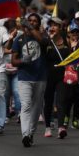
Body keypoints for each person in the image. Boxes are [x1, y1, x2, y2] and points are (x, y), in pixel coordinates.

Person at [11, 13, 48, 147]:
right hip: (24, 77)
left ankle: (31, 132)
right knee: (26, 105)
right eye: (30, 21)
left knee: (36, 107)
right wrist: (21, 60)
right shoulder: (19, 40)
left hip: (40, 77)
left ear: (38, 23)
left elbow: (43, 42)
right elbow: (13, 61)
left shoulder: (42, 37)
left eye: (34, 21)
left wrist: (30, 28)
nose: (32, 22)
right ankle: (25, 135)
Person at [43, 17, 71, 139]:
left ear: (60, 28)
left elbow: (70, 58)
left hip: (62, 75)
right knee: (48, 102)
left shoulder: (66, 42)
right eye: (51, 25)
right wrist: (49, 40)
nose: (52, 28)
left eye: (55, 25)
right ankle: (48, 127)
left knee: (61, 101)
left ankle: (61, 128)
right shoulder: (46, 42)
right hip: (48, 75)